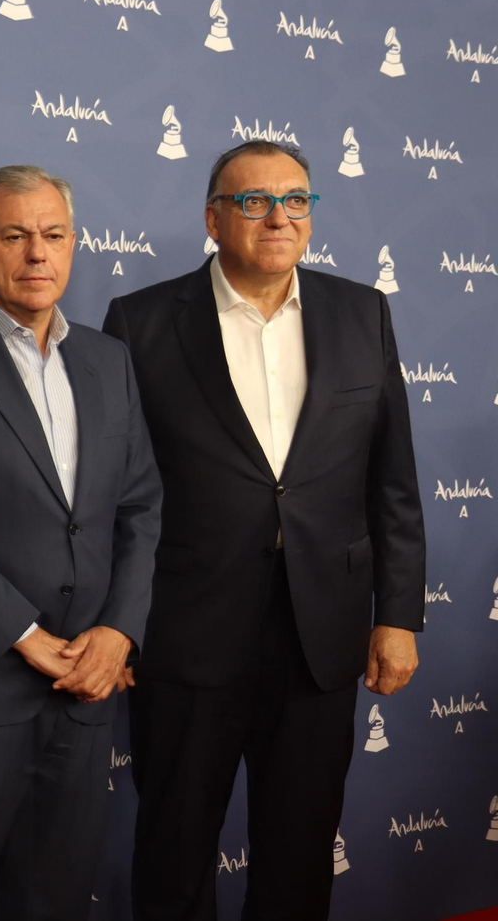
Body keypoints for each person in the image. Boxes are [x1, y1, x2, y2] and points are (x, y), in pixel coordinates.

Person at [104, 141, 425, 920]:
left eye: (296, 199)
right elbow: (114, 493)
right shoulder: (140, 321)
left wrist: (396, 617)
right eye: (254, 201)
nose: (278, 216)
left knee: (301, 851)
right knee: (174, 851)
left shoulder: (362, 312)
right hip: (187, 631)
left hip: (321, 631)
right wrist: (116, 624)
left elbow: (393, 482)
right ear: (213, 218)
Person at [0, 165, 161, 920]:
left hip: (87, 687)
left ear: (74, 245)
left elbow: (142, 504)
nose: (36, 255)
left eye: (52, 236)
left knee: (54, 897)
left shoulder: (108, 361)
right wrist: (24, 635)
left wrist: (119, 631)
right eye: (14, 236)